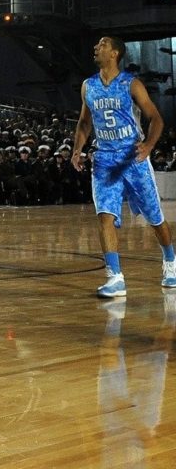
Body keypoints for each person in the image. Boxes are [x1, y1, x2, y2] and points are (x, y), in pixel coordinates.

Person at [71, 35, 176, 298]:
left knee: (155, 217)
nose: (96, 47)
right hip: (104, 159)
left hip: (133, 158)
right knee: (104, 215)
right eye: (96, 44)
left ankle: (170, 261)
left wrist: (149, 145)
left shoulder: (131, 84)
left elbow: (156, 119)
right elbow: (85, 124)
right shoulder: (88, 86)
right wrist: (77, 150)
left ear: (115, 53)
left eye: (103, 44)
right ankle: (115, 277)